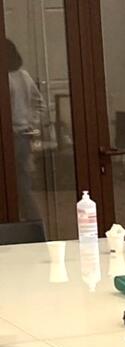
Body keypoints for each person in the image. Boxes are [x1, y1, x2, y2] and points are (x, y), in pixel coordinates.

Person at [6, 38, 44, 221]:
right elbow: (40, 104)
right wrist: (31, 122)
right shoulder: (24, 76)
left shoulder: (8, 78)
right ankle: (32, 223)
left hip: (12, 136)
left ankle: (31, 222)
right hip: (23, 135)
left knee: (20, 184)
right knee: (22, 183)